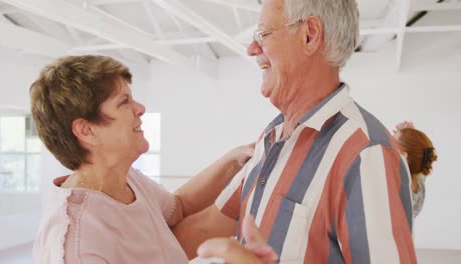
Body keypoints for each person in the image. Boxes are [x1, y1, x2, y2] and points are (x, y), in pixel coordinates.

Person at [171, 0, 417, 263]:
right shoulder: (271, 138)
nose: (252, 49)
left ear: (309, 35)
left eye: (263, 34)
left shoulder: (366, 154)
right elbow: (204, 229)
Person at [30, 55, 255, 263]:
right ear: (87, 130)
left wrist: (235, 160)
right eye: (124, 101)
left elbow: (178, 208)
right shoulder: (77, 241)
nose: (140, 108)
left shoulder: (128, 180)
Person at [393, 121, 438, 218]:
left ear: (404, 156)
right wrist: (408, 133)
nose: (389, 143)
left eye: (393, 141)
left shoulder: (393, 189)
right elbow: (420, 152)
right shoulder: (419, 175)